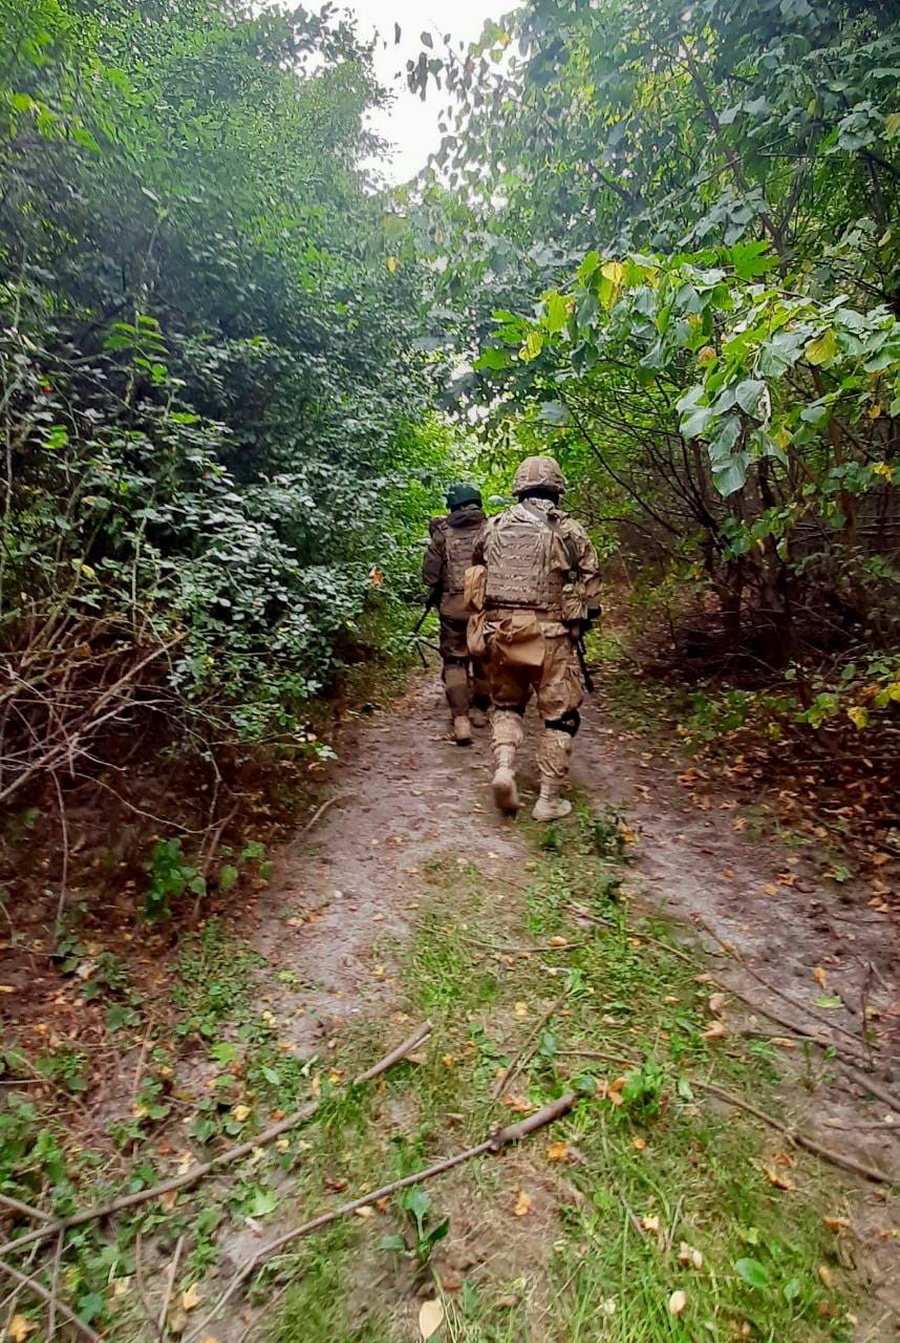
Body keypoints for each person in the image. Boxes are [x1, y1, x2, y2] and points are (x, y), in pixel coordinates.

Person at [468, 456, 601, 821]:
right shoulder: (569, 529)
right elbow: (591, 582)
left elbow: (477, 569)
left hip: (501, 632)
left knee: (507, 706)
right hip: (550, 637)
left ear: (519, 487)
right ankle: (548, 800)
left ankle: (505, 769)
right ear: (557, 487)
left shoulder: (493, 526)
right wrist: (581, 619)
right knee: (560, 717)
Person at [423, 482, 490, 744]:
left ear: (451, 505)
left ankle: (460, 721)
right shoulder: (492, 530)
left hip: (453, 609)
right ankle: (481, 711)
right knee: (484, 657)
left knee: (454, 661)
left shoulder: (442, 534)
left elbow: (429, 576)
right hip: (485, 607)